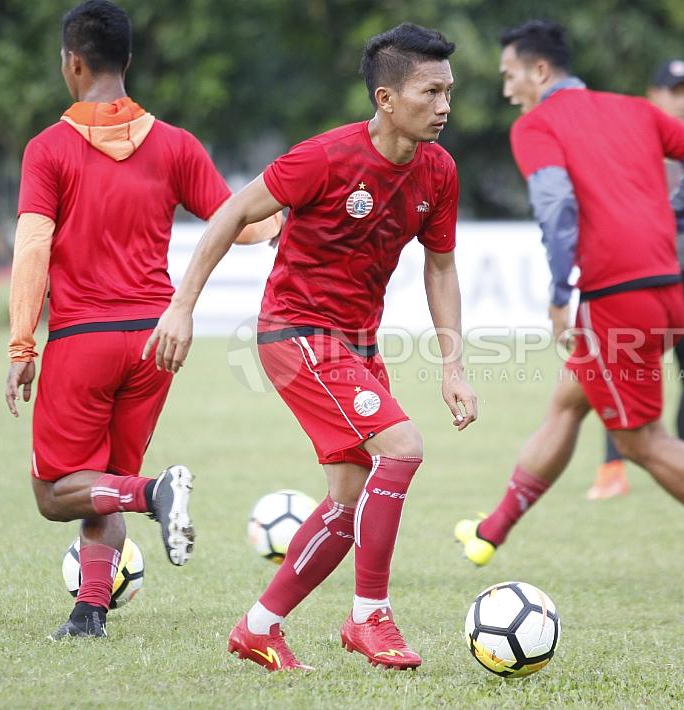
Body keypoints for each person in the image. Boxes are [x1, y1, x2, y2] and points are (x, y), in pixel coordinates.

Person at [144, 23, 476, 671]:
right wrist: (181, 307)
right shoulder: (324, 158)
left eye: (448, 92)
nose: (443, 106)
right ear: (386, 99)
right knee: (402, 449)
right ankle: (369, 617)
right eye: (430, 92)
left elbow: (441, 267)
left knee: (349, 501)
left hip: (357, 343)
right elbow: (233, 213)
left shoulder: (439, 171)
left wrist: (454, 367)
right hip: (295, 331)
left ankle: (258, 628)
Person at [455, 20, 684, 594]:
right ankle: (489, 533)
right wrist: (672, 218)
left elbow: (557, 207)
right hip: (664, 288)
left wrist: (559, 293)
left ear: (540, 71)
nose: (507, 89)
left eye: (510, 76)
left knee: (641, 440)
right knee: (568, 402)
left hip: (617, 299)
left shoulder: (536, 126)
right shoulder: (634, 109)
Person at [4, 0, 281, 640]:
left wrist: (21, 345)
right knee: (104, 482)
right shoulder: (176, 145)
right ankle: (89, 613)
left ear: (72, 63)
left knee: (56, 492)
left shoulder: (48, 149)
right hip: (156, 342)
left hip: (83, 341)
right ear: (126, 61)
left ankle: (155, 493)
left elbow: (33, 248)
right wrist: (289, 214)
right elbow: (245, 223)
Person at [586, 59, 684, 501]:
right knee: (624, 371)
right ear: (653, 95)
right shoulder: (634, 142)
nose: (683, 100)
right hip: (640, 272)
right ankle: (612, 470)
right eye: (674, 91)